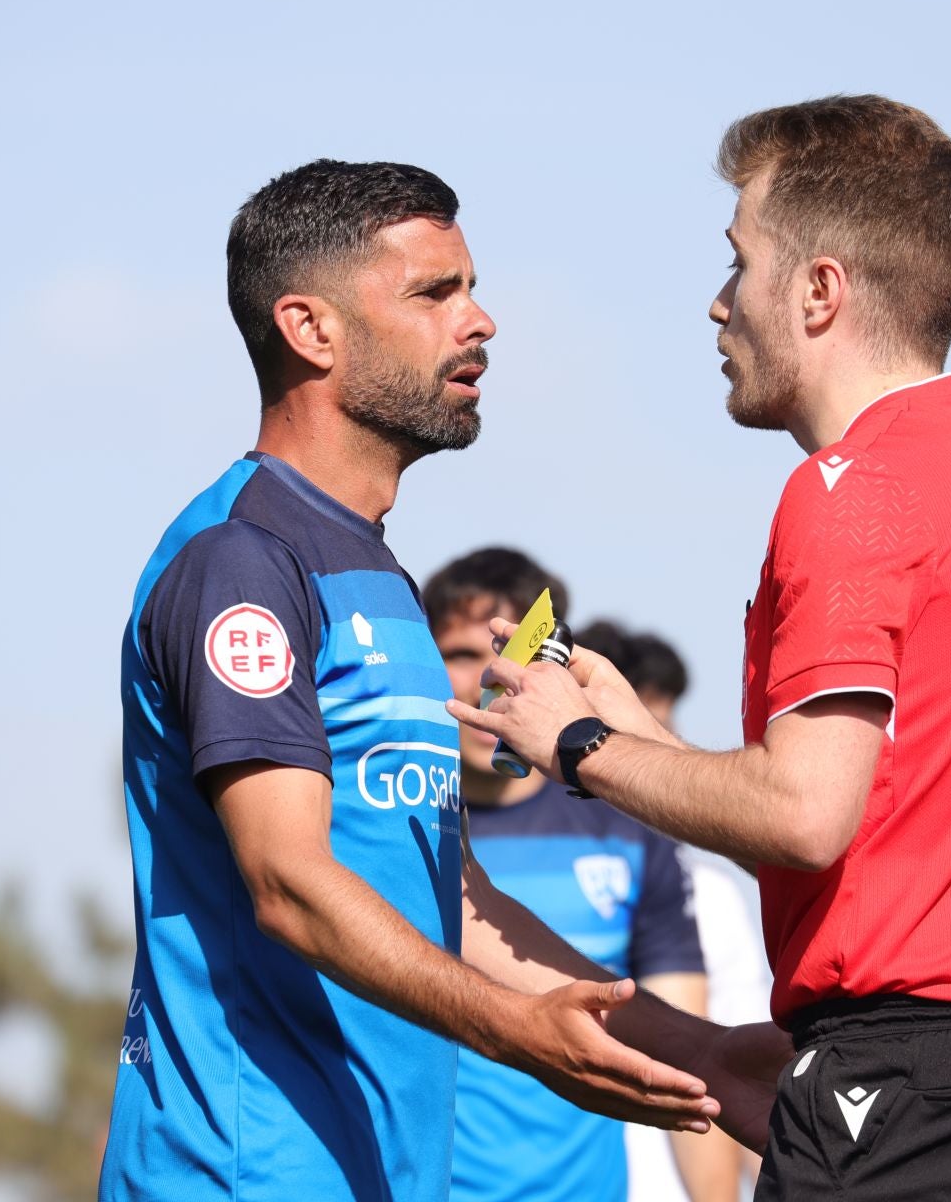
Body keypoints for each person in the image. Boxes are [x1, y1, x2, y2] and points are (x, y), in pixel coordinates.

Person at [452, 94, 951, 1200]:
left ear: (820, 290)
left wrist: (576, 741)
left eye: (738, 262)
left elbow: (806, 814)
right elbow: (891, 839)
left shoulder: (849, 491)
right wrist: (643, 742)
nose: (717, 304)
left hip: (913, 1105)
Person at [100, 159, 775, 1201]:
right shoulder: (241, 558)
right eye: (435, 292)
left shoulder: (377, 573)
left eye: (471, 287)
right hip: (241, 1176)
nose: (484, 320)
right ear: (310, 329)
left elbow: (448, 897)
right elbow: (286, 881)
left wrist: (707, 1056)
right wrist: (517, 1034)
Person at [422, 552, 721, 1202]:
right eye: (462, 654)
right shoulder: (400, 825)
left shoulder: (625, 829)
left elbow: (694, 1060)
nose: (491, 679)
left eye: (510, 654)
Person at [576, 621, 774, 1202]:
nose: (664, 748)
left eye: (662, 726)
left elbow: (732, 1063)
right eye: (638, 730)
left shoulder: (705, 888)